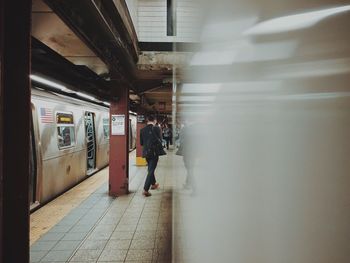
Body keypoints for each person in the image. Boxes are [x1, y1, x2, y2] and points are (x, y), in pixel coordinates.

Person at [140, 115, 161, 197]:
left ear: (147, 120)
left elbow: (141, 143)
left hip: (146, 153)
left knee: (150, 168)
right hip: (154, 152)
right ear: (154, 120)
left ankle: (153, 184)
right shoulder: (156, 128)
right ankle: (145, 189)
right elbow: (159, 140)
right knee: (151, 170)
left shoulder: (142, 130)